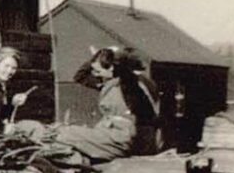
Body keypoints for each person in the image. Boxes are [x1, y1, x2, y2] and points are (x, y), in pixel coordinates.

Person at [15, 46, 158, 161]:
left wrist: (115, 54)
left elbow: (127, 75)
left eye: (98, 70)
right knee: (67, 132)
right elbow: (80, 77)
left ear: (113, 68)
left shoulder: (128, 84)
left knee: (65, 134)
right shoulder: (107, 83)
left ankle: (34, 136)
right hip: (111, 133)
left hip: (121, 137)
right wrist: (95, 58)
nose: (94, 74)